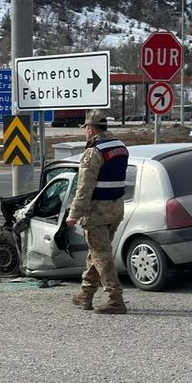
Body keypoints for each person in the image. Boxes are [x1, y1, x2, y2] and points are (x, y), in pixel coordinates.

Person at [65, 110, 129, 314]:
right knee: (97, 251)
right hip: (116, 207)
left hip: (97, 211)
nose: (86, 133)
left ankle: (114, 298)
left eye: (86, 129)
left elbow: (84, 188)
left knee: (101, 254)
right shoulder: (121, 147)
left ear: (91, 129)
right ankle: (86, 293)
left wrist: (74, 214)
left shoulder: (94, 151)